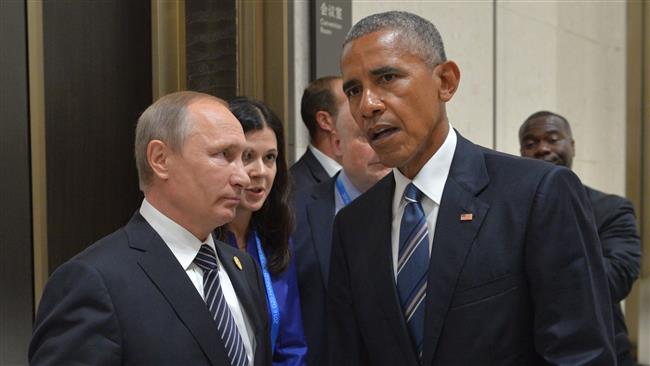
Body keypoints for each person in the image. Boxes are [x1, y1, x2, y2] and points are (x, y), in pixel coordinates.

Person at [327, 11, 616, 365]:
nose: (367, 105)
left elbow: (580, 354)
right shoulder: (353, 225)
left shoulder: (536, 194)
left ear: (445, 81)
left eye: (387, 77)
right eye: (353, 90)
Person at [29, 91, 271, 366]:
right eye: (223, 155)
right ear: (160, 159)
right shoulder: (94, 281)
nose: (242, 176)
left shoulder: (243, 268)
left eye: (244, 157)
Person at [519, 110, 642, 366]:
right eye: (530, 143)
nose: (542, 148)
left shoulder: (612, 209)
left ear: (572, 146)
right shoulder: (511, 211)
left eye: (553, 139)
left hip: (599, 353)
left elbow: (617, 277)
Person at [292, 81, 390, 365]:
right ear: (337, 144)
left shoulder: (417, 210)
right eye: (365, 137)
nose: (379, 146)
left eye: (386, 134)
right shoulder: (294, 211)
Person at [220, 97, 308, 366]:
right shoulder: (201, 241)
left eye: (269, 158)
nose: (260, 172)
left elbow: (292, 345)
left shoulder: (275, 239)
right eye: (248, 157)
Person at [291, 76, 343, 194]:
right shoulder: (295, 189)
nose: (361, 112)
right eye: (350, 104)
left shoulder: (362, 176)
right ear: (325, 121)